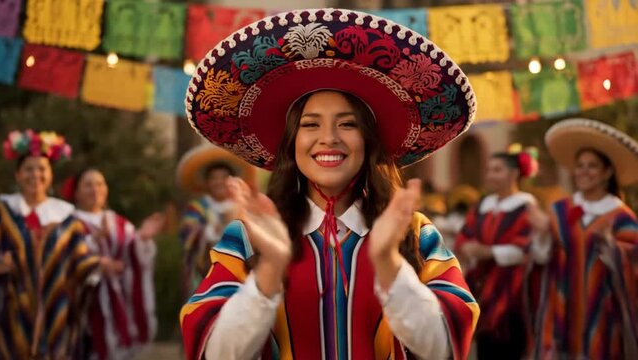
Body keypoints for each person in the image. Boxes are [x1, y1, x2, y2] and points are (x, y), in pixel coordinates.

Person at [179, 9, 480, 360]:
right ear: (292, 143)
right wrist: (271, 268)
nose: (328, 139)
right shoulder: (249, 235)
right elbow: (215, 354)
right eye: (310, 125)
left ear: (368, 142)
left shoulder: (414, 232)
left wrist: (387, 262)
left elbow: (444, 348)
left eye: (347, 124)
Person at [530, 118, 638, 359]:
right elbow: (542, 259)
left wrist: (611, 246)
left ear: (607, 172)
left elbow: (633, 266)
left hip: (604, 315)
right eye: (580, 166)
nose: (583, 172)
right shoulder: (560, 210)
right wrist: (542, 236)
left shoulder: (622, 217)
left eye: (592, 166)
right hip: (560, 312)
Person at [0, 129, 100, 359]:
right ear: (17, 175)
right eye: (28, 169)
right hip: (9, 307)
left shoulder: (66, 216)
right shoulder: (3, 211)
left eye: (41, 168)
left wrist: (99, 264)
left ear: (51, 174)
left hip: (56, 306)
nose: (35, 175)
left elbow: (80, 257)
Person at [65, 168, 163, 359]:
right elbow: (64, 256)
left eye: (100, 184)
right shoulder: (69, 222)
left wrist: (141, 239)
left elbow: (133, 258)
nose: (95, 189)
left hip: (118, 303)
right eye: (88, 185)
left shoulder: (118, 222)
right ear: (76, 192)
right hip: (86, 305)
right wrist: (94, 253)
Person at [455, 147, 540, 359]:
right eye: (489, 170)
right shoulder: (483, 205)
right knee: (485, 347)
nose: (490, 175)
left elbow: (527, 247)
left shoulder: (526, 205)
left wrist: (489, 252)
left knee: (509, 348)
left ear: (514, 174)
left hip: (512, 291)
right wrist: (465, 246)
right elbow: (465, 233)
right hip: (482, 289)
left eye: (497, 170)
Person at [177, 144, 257, 296]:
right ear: (206, 182)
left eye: (224, 178)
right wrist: (209, 232)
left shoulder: (242, 208)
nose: (219, 182)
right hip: (203, 277)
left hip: (239, 277)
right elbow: (186, 238)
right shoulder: (197, 208)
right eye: (214, 178)